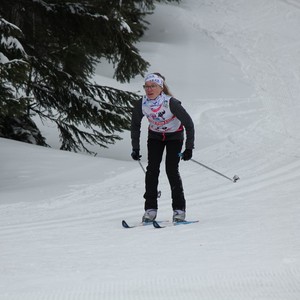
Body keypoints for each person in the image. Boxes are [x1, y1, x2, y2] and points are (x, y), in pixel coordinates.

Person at [130, 72, 195, 223]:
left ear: (161, 87)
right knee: (152, 171)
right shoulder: (142, 103)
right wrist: (135, 148)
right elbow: (135, 125)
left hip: (174, 137)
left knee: (171, 170)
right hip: (155, 137)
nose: (149, 89)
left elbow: (189, 124)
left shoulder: (170, 102)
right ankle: (150, 210)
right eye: (146, 86)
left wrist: (189, 148)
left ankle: (179, 210)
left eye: (153, 86)